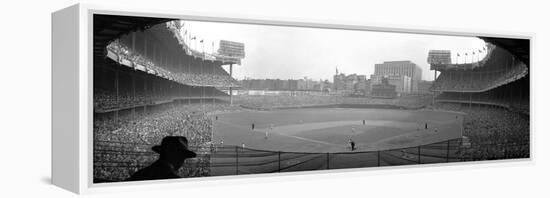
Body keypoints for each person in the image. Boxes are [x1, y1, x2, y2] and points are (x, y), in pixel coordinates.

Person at [126, 136, 197, 181]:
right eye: (183, 157)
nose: (183, 162)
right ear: (179, 157)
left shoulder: (140, 174)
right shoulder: (174, 180)